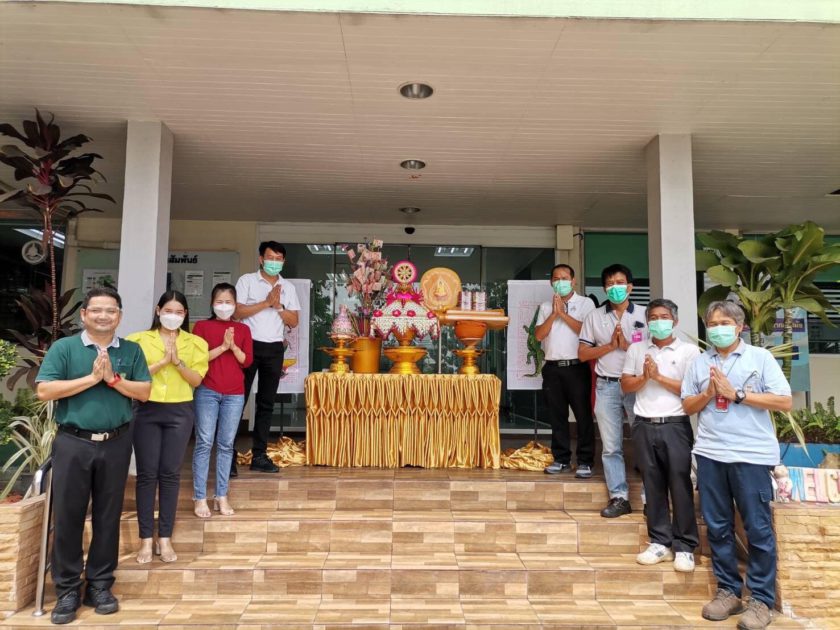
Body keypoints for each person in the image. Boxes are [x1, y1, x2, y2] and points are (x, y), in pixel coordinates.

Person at [35, 288, 151, 625]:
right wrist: (91, 378)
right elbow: (44, 390)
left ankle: (100, 584)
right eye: (97, 310)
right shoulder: (65, 348)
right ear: (84, 314)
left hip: (116, 442)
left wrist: (113, 379)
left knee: (108, 515)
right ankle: (68, 589)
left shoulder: (131, 350)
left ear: (119, 316)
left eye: (111, 311)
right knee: (69, 515)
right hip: (74, 442)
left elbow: (144, 391)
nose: (104, 316)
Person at [682, 300, 792, 630]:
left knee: (757, 529)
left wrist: (737, 395)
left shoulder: (760, 358)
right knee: (718, 527)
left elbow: (784, 400)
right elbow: (687, 406)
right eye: (712, 324)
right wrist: (709, 392)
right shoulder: (700, 362)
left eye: (724, 323)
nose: (717, 329)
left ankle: (761, 599)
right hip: (711, 454)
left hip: (751, 456)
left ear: (739, 326)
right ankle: (728, 591)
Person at [127, 291, 209, 564]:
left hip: (180, 411)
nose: (173, 316)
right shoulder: (138, 340)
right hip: (146, 409)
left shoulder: (196, 343)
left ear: (185, 315)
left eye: (179, 312)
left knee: (170, 474)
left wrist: (177, 362)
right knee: (147, 475)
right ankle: (145, 539)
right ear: (158, 310)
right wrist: (162, 362)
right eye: (168, 310)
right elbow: (132, 376)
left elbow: (196, 380)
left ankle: (165, 537)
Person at [620, 298, 700, 572]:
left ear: (675, 321)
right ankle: (659, 542)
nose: (658, 322)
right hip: (643, 424)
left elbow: (691, 390)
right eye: (653, 318)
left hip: (675, 424)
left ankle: (685, 546)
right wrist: (645, 377)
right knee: (652, 485)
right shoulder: (637, 348)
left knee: (680, 484)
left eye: (664, 317)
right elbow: (626, 384)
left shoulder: (689, 351)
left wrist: (658, 377)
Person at [579, 263, 647, 518]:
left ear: (630, 287)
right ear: (604, 289)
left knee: (645, 443)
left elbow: (654, 352)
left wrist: (627, 345)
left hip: (638, 385)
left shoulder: (645, 314)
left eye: (619, 283)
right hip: (606, 385)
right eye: (609, 284)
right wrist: (610, 346)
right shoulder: (594, 316)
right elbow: (583, 353)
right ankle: (619, 497)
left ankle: (650, 499)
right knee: (610, 447)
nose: (615, 288)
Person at [234, 241, 300, 473]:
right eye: (270, 257)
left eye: (278, 259)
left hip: (274, 349)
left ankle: (259, 456)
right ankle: (228, 455)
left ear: (283, 261)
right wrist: (266, 303)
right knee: (237, 401)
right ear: (261, 259)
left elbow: (294, 321)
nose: (274, 262)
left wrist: (278, 305)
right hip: (248, 346)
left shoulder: (288, 287)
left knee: (266, 403)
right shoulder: (247, 281)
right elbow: (237, 312)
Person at [192, 283, 253, 517]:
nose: (224, 306)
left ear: (235, 305)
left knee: (226, 445)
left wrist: (233, 346)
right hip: (207, 390)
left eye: (228, 302)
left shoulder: (243, 330)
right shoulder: (202, 327)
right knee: (204, 443)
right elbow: (198, 358)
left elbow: (246, 361)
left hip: (235, 393)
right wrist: (223, 347)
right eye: (220, 301)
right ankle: (200, 497)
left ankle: (221, 495)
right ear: (212, 303)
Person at [535, 263, 596, 477]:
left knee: (583, 415)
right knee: (557, 416)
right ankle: (561, 459)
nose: (560, 282)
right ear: (551, 282)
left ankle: (585, 461)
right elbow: (539, 335)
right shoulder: (545, 306)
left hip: (576, 368)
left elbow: (587, 331)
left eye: (564, 278)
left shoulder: (586, 303)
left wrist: (563, 314)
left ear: (573, 281)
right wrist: (554, 313)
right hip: (552, 368)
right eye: (556, 278)